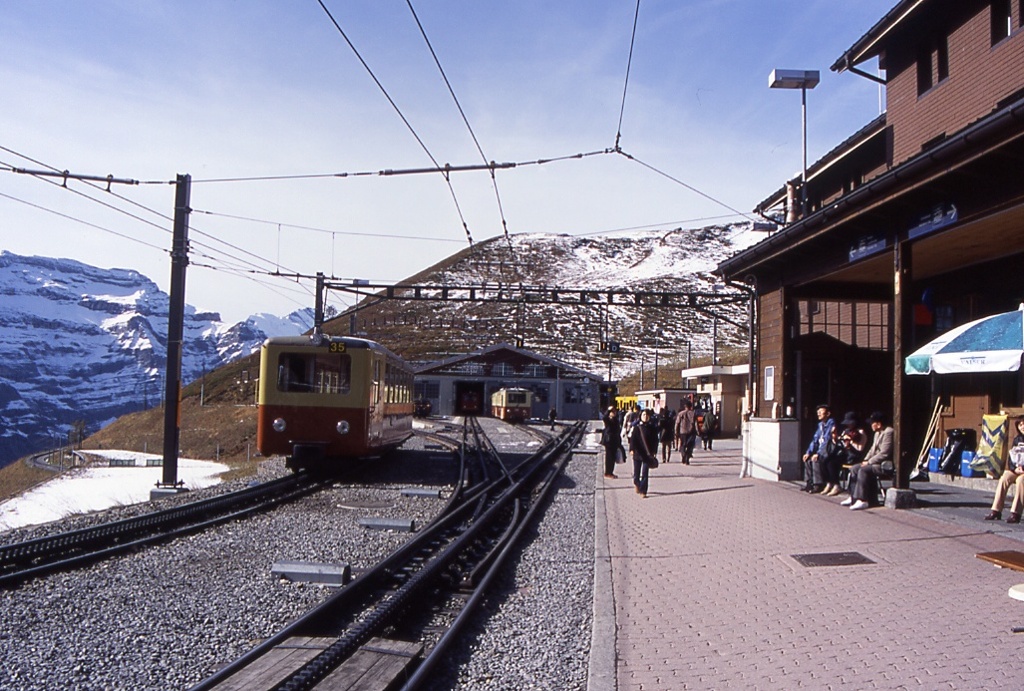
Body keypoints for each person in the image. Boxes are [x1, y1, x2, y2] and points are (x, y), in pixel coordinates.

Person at [841, 411, 894, 510]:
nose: (870, 425)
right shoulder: (877, 433)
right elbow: (872, 449)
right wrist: (865, 460)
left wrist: (869, 462)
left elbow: (884, 453)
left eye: (872, 423)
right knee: (855, 468)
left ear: (878, 424)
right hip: (873, 462)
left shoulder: (888, 432)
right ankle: (853, 497)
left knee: (863, 470)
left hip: (883, 464)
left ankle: (862, 499)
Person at [985, 416, 1024, 522]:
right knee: (1004, 478)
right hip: (1016, 469)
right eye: (1020, 425)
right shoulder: (1017, 440)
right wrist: (1014, 469)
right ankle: (996, 511)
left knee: (1021, 481)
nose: (1022, 427)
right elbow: (1011, 457)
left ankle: (1016, 513)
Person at [820, 411, 866, 496]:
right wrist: (836, 437)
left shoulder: (860, 432)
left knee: (833, 463)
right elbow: (840, 443)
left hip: (854, 456)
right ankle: (829, 482)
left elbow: (860, 449)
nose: (849, 425)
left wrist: (850, 441)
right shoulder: (846, 431)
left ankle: (837, 485)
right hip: (844, 454)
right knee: (826, 460)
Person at [802, 404, 834, 493]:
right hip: (821, 450)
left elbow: (827, 441)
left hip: (828, 451)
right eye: (818, 412)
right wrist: (808, 452)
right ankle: (809, 482)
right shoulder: (820, 425)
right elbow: (815, 440)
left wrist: (819, 453)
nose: (818, 413)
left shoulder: (831, 424)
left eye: (821, 411)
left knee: (815, 460)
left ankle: (818, 484)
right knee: (807, 459)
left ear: (828, 414)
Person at [629, 408, 659, 498]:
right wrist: (631, 449)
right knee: (636, 474)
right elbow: (633, 440)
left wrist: (654, 451)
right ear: (640, 416)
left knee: (645, 473)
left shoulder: (652, 428)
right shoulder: (637, 428)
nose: (645, 417)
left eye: (647, 415)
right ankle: (637, 484)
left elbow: (655, 441)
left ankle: (643, 491)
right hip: (638, 453)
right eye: (643, 415)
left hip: (647, 454)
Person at [600, 406, 624, 479]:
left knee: (613, 457)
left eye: (614, 412)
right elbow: (604, 417)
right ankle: (607, 472)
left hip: (615, 440)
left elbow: (618, 429)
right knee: (609, 457)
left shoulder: (616, 420)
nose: (614, 413)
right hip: (609, 441)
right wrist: (608, 410)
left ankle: (611, 472)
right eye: (612, 412)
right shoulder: (608, 420)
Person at [674, 399, 697, 465]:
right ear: (690, 406)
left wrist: (676, 431)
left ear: (685, 406)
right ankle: (687, 456)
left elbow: (677, 423)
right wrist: (698, 431)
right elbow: (696, 424)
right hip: (691, 432)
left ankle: (683, 454)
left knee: (683, 445)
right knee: (690, 445)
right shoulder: (693, 414)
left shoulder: (680, 414)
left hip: (682, 432)